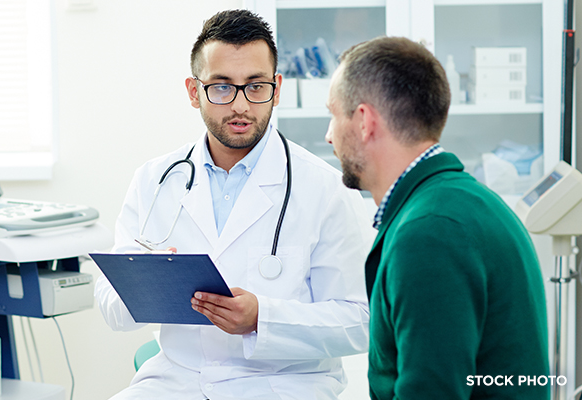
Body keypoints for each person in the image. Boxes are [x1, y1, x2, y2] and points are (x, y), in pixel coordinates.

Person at [94, 9, 372, 400]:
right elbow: (108, 299)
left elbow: (361, 320)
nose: (240, 105)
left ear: (276, 88)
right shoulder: (154, 180)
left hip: (283, 385)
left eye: (255, 86)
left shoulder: (326, 188)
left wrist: (264, 318)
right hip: (178, 380)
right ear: (194, 91)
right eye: (221, 87)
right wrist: (146, 285)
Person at [325, 36, 549, 399]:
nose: (329, 135)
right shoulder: (465, 201)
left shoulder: (428, 232)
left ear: (364, 121)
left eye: (333, 115)